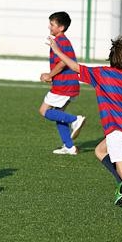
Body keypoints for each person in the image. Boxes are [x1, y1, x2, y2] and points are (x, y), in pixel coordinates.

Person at [48, 36, 122, 223]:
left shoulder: (102, 74)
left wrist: (56, 50)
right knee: (99, 151)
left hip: (117, 130)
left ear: (111, 56)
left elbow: (75, 67)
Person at [39, 11, 85, 155]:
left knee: (44, 111)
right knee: (59, 113)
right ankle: (70, 147)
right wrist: (52, 77)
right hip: (69, 83)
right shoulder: (61, 41)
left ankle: (75, 119)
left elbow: (62, 63)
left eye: (52, 24)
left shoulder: (60, 41)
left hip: (64, 85)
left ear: (61, 27)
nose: (49, 26)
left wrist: (49, 75)